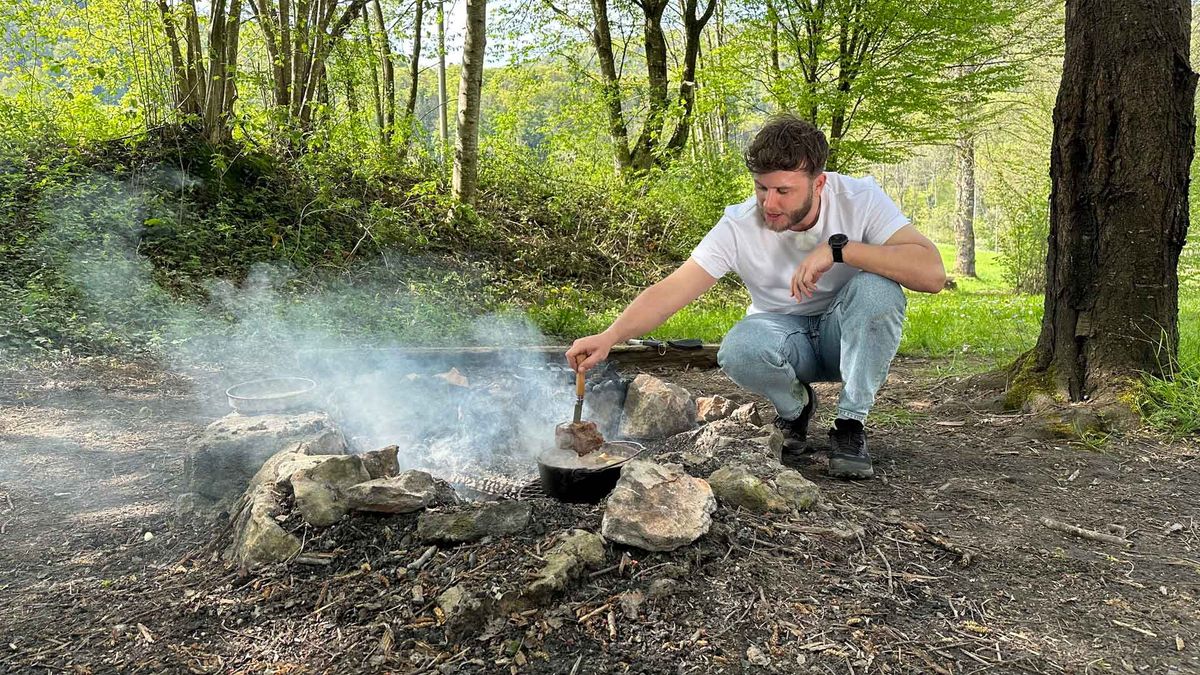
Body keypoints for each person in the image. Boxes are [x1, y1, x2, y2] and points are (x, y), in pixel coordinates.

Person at [566, 114, 946, 479]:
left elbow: (931, 273)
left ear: (818, 184)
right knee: (738, 349)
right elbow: (674, 288)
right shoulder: (738, 224)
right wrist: (610, 336)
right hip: (782, 341)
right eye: (762, 188)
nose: (769, 204)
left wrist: (839, 250)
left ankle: (849, 424)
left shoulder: (859, 197)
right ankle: (796, 408)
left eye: (783, 191)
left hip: (845, 334)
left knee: (878, 290)